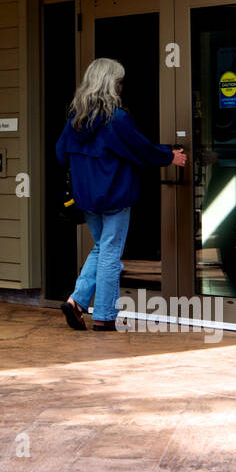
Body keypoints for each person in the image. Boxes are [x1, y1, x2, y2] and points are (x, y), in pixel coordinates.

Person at [55, 57, 186, 331]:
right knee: (110, 254)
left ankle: (76, 301)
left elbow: (60, 153)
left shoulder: (75, 120)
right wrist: (169, 155)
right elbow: (141, 150)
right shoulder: (116, 119)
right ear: (111, 84)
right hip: (115, 197)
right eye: (119, 81)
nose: (122, 86)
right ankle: (103, 316)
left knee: (102, 247)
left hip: (87, 198)